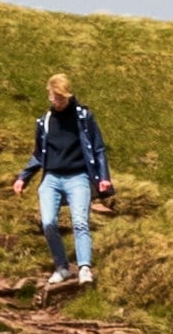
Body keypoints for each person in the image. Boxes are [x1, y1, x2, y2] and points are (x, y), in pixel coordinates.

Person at [16, 70, 112, 289]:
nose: (57, 101)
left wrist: (103, 178)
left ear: (68, 95)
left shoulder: (84, 117)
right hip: (51, 179)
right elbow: (39, 154)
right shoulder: (45, 121)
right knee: (48, 223)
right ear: (49, 95)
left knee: (80, 222)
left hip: (78, 176)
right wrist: (23, 177)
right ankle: (62, 268)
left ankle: (85, 268)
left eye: (61, 97)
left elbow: (98, 148)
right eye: (53, 97)